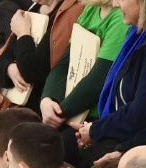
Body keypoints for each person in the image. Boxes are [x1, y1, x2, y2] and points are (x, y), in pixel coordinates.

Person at [74, 0, 146, 165]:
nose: (115, 4)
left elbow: (143, 112)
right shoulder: (135, 33)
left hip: (139, 139)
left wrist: (96, 130)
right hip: (123, 132)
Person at [38, 0, 130, 139]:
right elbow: (64, 63)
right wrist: (48, 98)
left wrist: (57, 114)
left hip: (92, 120)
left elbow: (98, 79)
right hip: (68, 112)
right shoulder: (91, 8)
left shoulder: (120, 17)